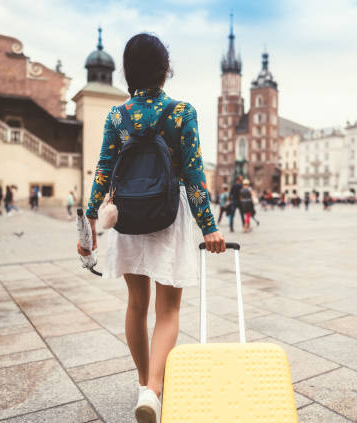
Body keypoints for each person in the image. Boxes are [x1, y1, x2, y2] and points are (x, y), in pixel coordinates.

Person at [76, 33, 225, 423]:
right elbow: (193, 176)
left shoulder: (116, 116)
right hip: (165, 215)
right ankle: (153, 389)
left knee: (136, 304)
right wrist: (208, 227)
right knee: (169, 310)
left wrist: (90, 223)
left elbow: (103, 173)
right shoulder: (181, 112)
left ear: (128, 70)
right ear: (165, 68)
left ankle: (146, 384)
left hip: (125, 215)